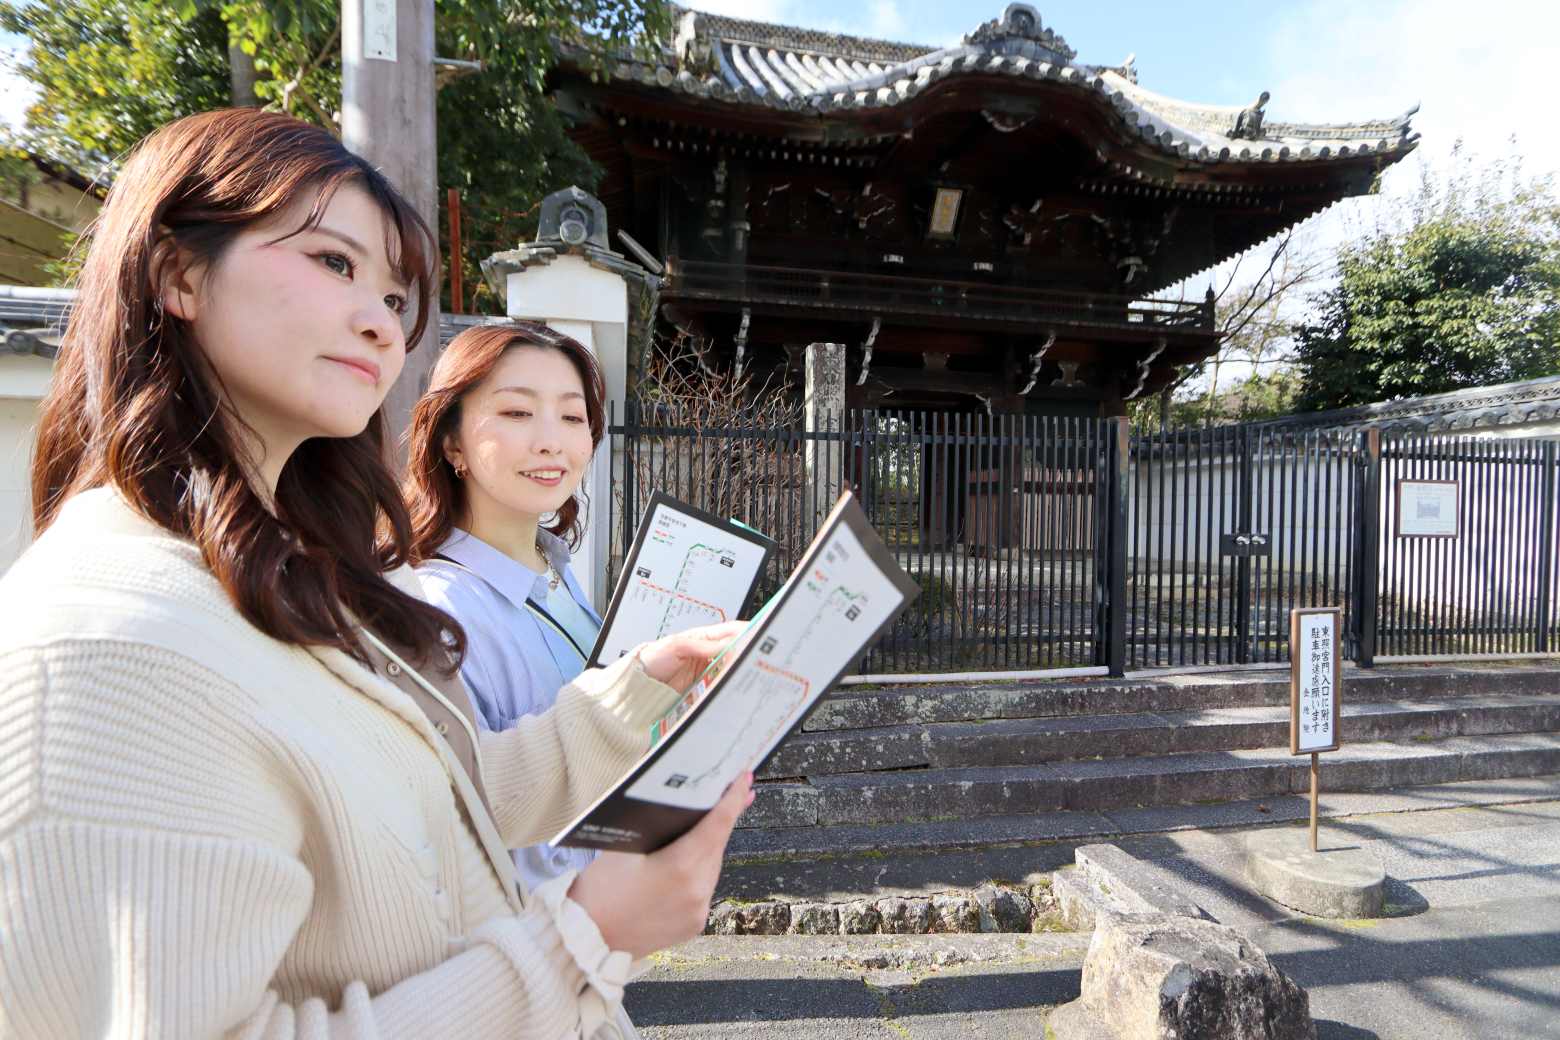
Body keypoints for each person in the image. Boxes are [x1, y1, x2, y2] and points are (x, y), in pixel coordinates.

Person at [0, 107, 749, 1040]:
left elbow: (435, 809)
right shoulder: (107, 647)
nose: (380, 324)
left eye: (396, 299)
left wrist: (635, 695)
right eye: (333, 262)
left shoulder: (289, 578)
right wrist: (584, 940)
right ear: (179, 273)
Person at [402, 322, 609, 894]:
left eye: (572, 417)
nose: (551, 442)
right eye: (518, 413)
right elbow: (462, 826)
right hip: (539, 931)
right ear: (451, 443)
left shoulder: (555, 570)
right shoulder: (441, 614)